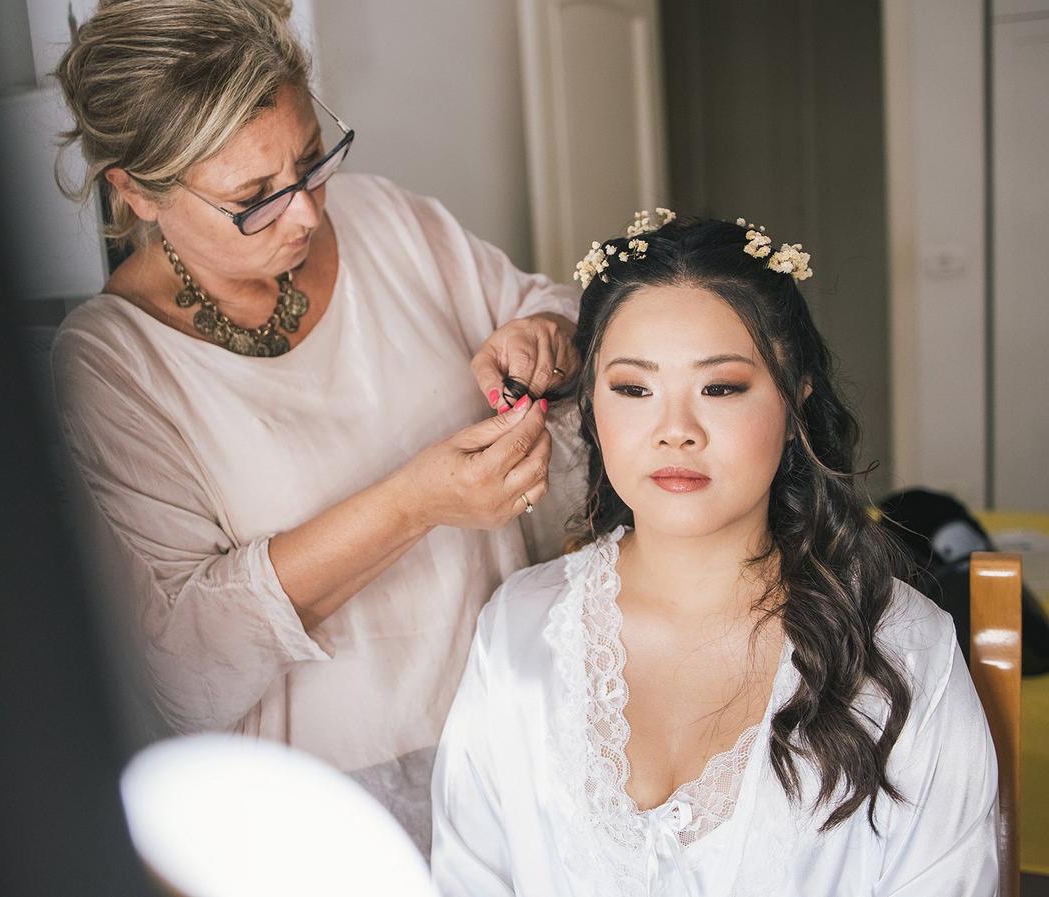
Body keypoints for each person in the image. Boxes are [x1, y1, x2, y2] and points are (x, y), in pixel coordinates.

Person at [50, 0, 583, 853]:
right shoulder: (114, 367)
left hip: (527, 737)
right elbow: (184, 659)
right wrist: (416, 502)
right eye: (253, 198)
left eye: (310, 161)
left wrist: (545, 337)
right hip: (325, 813)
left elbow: (553, 310)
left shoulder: (382, 219)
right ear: (137, 192)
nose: (304, 213)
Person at [431, 212, 998, 895]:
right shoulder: (517, 637)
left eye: (721, 388)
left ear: (795, 402)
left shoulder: (904, 652)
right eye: (634, 389)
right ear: (591, 409)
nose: (675, 430)